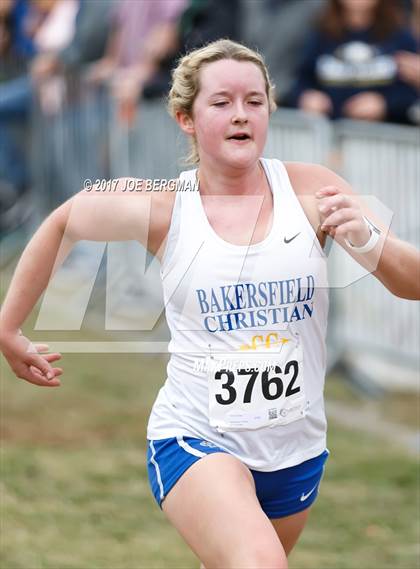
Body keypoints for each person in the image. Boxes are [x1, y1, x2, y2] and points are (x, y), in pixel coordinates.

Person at [0, 39, 419, 568]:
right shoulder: (163, 205)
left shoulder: (315, 190)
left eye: (254, 101)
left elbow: (412, 282)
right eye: (221, 103)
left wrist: (368, 240)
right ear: (186, 119)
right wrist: (8, 328)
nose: (240, 115)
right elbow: (64, 221)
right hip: (196, 435)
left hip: (295, 449)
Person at [289, 0, 418, 124]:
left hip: (384, 137)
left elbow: (411, 89)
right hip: (330, 134)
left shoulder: (400, 37)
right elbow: (301, 78)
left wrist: (385, 103)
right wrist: (307, 96)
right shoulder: (321, 34)